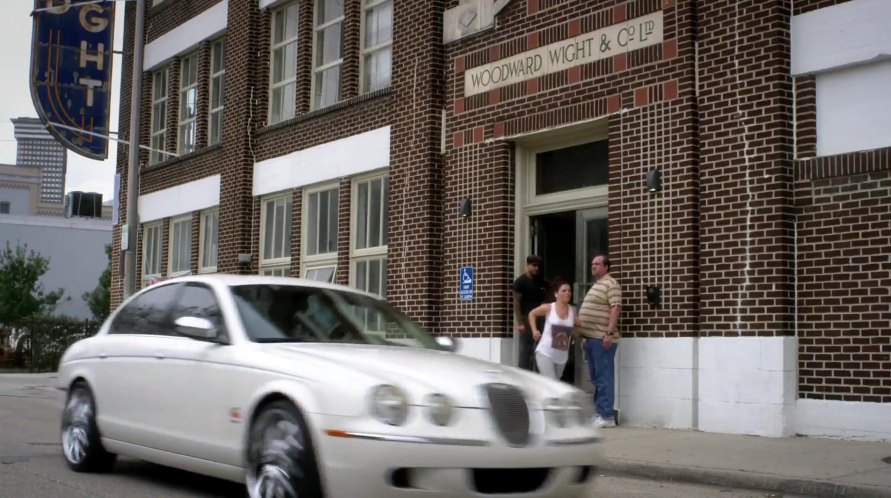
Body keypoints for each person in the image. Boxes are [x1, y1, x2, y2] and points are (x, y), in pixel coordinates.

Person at [577, 254, 622, 428]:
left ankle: (606, 415)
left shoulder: (611, 284)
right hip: (591, 338)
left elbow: (616, 307)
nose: (593, 266)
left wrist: (609, 332)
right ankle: (599, 413)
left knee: (604, 377)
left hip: (602, 337)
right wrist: (584, 336)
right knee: (596, 377)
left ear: (606, 267)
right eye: (592, 263)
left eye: (597, 264)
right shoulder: (598, 285)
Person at [528, 280, 576, 380]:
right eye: (563, 291)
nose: (567, 293)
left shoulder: (573, 310)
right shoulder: (549, 308)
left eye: (569, 291)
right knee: (551, 383)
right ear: (556, 294)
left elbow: (576, 325)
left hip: (562, 357)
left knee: (553, 385)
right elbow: (532, 314)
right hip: (545, 353)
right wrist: (534, 331)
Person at [512, 255, 547, 371]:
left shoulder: (540, 281)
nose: (536, 268)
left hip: (540, 319)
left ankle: (538, 374)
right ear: (527, 265)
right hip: (526, 318)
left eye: (538, 266)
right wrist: (520, 322)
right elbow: (516, 303)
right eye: (534, 266)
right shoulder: (520, 282)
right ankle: (523, 374)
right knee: (525, 349)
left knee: (540, 348)